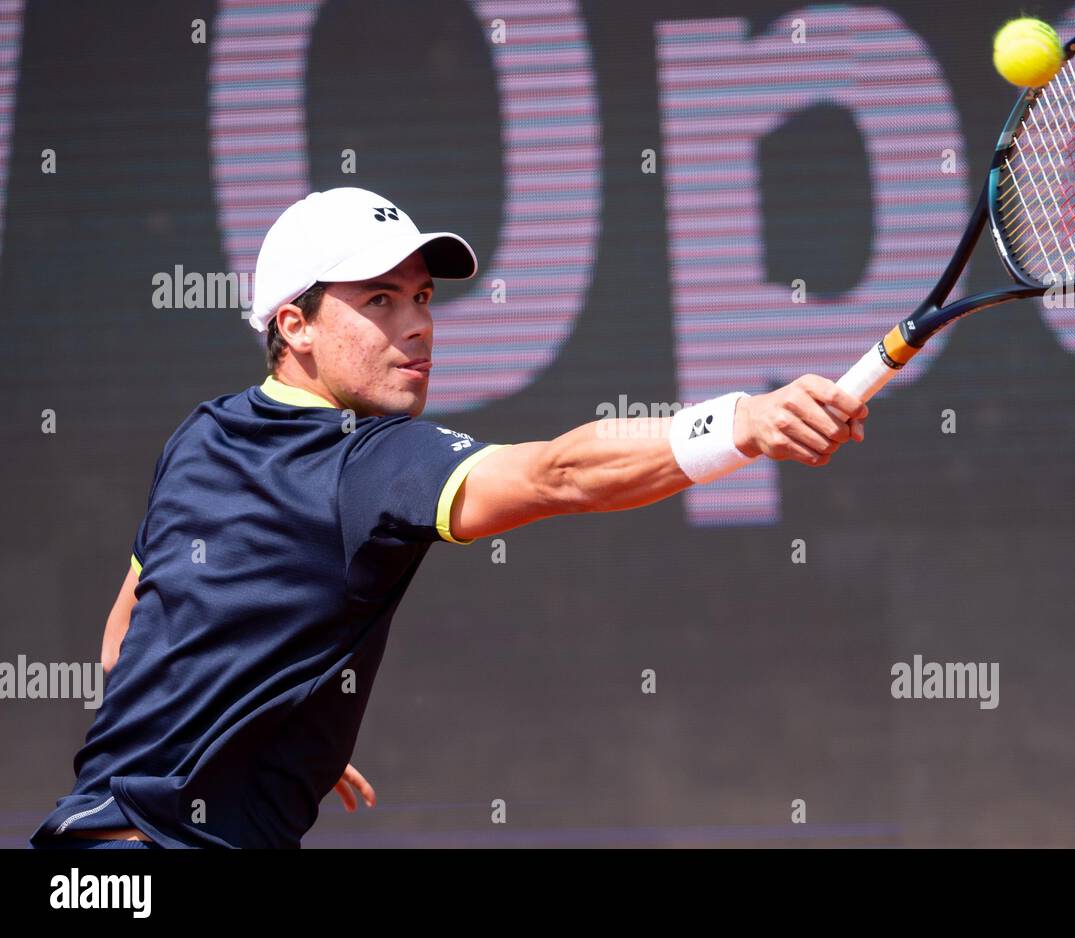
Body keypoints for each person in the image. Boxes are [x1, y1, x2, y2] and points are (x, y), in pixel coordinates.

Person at [30, 187, 868, 848]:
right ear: (295, 324)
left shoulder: (201, 433)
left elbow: (127, 635)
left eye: (423, 297)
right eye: (381, 301)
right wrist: (741, 424)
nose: (419, 326)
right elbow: (560, 474)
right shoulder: (374, 458)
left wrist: (254, 731)